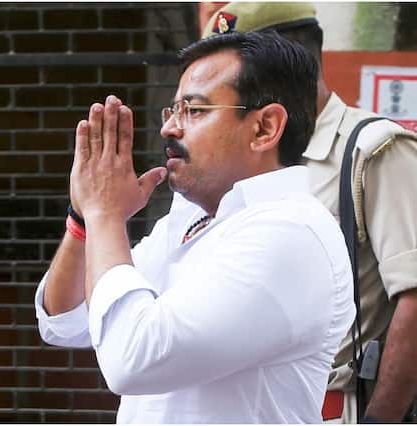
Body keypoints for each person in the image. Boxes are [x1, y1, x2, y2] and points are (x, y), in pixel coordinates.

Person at [35, 31, 356, 423]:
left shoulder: (290, 233)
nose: (170, 128)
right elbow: (64, 321)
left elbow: (132, 358)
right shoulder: (192, 220)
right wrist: (84, 220)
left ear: (264, 128)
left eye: (195, 110)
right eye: (172, 111)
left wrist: (104, 213)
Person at [202, 3, 417, 423]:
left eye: (232, 70)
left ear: (287, 63)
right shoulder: (247, 157)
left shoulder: (374, 150)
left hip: (330, 409)